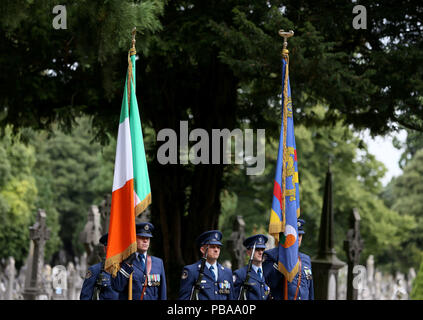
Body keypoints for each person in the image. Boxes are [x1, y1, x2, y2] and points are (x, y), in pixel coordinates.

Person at [112, 222, 167, 300]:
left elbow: (162, 293)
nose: (145, 241)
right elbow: (117, 287)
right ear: (134, 239)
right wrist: (127, 265)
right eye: (141, 237)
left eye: (147, 238)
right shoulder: (124, 261)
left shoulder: (158, 263)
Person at [179, 230, 234, 300]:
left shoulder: (227, 272)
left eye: (218, 247)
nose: (216, 250)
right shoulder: (191, 271)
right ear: (202, 249)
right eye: (212, 247)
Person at [80, 233, 119, 300]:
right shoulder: (95, 270)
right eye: (110, 246)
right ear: (104, 248)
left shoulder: (126, 270)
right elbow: (85, 297)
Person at [233, 234, 271, 300]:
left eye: (262, 249)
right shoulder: (240, 274)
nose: (261, 252)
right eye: (257, 249)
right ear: (248, 252)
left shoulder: (268, 272)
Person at [287, 218, 314, 300]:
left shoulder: (306, 259)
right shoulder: (279, 258)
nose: (298, 238)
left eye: (300, 235)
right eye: (296, 234)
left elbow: (310, 287)